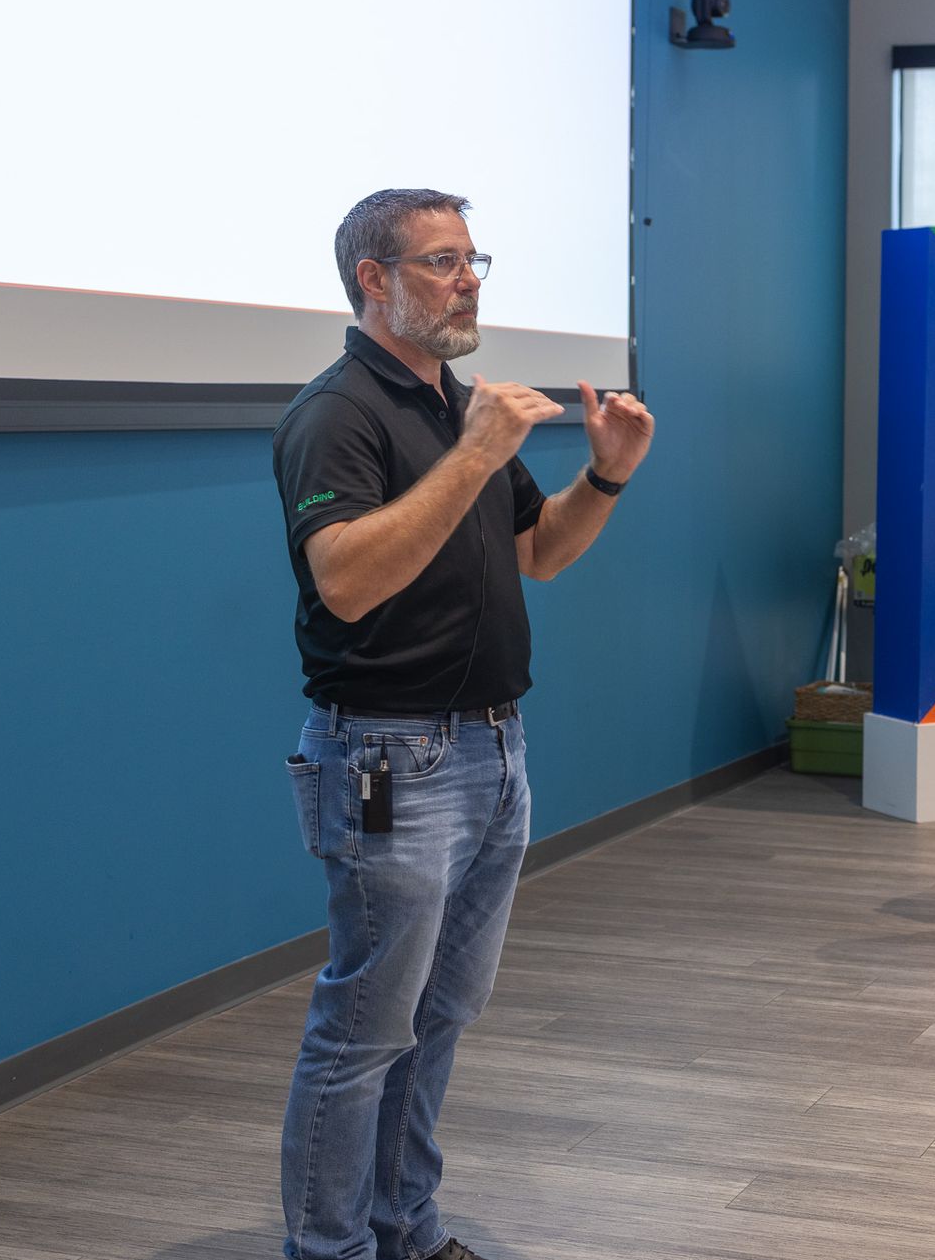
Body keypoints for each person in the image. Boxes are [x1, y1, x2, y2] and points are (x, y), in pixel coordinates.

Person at [271, 188, 654, 1260]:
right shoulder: (335, 415)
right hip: (385, 759)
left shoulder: (456, 410)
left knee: (439, 1013)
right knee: (365, 1027)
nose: (468, 281)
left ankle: (405, 1225)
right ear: (372, 280)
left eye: (473, 259)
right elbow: (347, 581)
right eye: (441, 261)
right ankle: (330, 1247)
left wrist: (607, 475)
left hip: (492, 748)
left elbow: (542, 552)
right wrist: (477, 454)